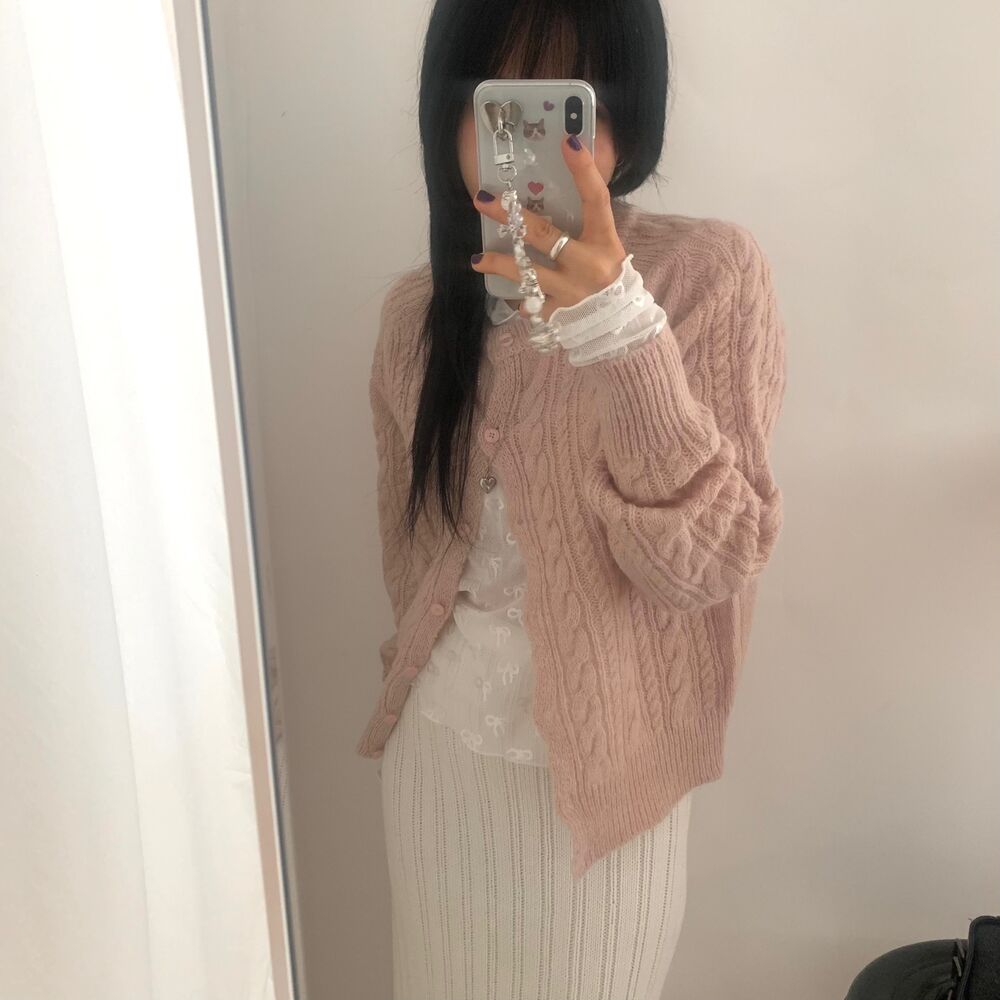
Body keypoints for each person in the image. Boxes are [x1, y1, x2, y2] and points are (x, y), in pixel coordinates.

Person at [355, 1, 787, 997]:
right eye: (503, 100)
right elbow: (410, 552)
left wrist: (616, 327)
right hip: (435, 764)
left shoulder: (703, 277)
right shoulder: (416, 315)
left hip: (600, 799)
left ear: (629, 113)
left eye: (572, 102)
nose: (542, 138)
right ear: (449, 110)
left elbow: (707, 568)